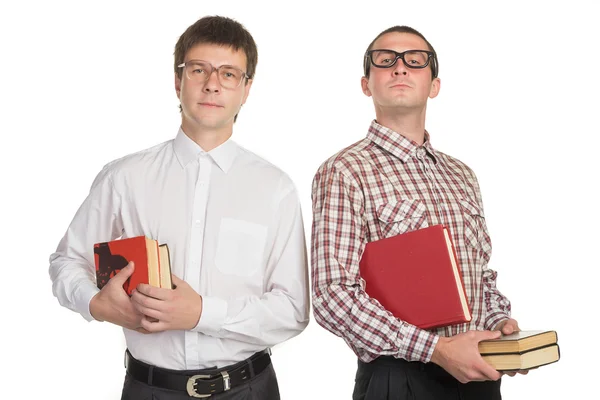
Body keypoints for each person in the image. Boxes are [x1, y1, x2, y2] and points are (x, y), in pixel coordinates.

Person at [49, 15, 309, 400]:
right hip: (148, 389)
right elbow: (66, 261)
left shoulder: (275, 188)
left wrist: (203, 313)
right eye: (198, 69)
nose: (212, 83)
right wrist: (96, 303)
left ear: (246, 88)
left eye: (229, 74)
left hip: (247, 389)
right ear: (178, 80)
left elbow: (293, 310)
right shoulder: (124, 177)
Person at [310, 25, 525, 400]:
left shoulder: (461, 175)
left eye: (415, 60)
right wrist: (435, 350)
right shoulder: (345, 171)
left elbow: (479, 275)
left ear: (434, 84)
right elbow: (333, 295)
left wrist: (499, 323)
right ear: (366, 84)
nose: (399, 68)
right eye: (385, 60)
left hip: (479, 377)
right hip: (401, 379)